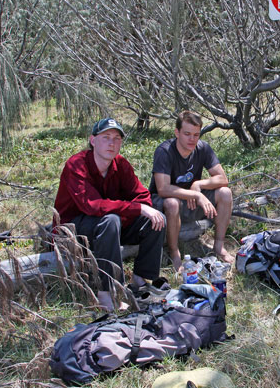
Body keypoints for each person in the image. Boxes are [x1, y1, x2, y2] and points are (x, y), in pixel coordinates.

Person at [54, 118, 166, 311]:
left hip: (108, 226)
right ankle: (106, 293)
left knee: (156, 218)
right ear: (92, 140)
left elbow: (142, 196)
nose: (111, 143)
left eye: (116, 138)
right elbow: (92, 206)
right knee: (111, 221)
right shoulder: (76, 165)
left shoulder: (120, 164)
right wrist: (135, 209)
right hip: (73, 229)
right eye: (105, 137)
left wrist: (138, 211)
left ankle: (140, 278)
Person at [150, 110, 234, 271]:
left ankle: (218, 245)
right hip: (165, 205)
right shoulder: (164, 151)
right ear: (177, 132)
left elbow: (222, 179)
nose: (192, 139)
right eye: (187, 134)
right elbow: (162, 189)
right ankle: (174, 252)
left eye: (196, 135)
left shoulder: (202, 148)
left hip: (191, 202)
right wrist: (195, 193)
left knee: (225, 193)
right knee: (172, 203)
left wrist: (199, 184)